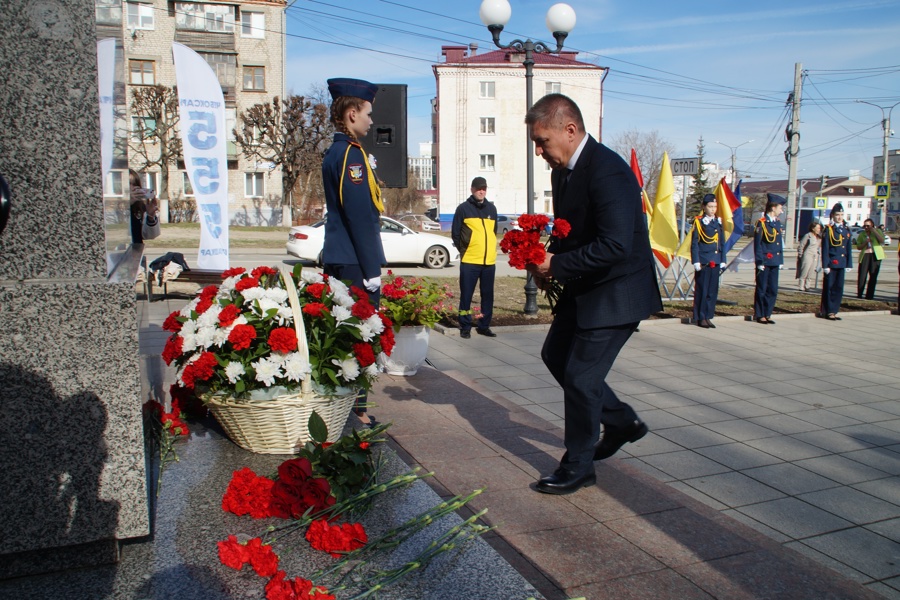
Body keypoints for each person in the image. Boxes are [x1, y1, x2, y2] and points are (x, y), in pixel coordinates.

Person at [524, 94, 662, 495]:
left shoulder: (609, 171)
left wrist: (558, 265)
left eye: (542, 140)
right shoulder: (563, 171)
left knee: (582, 377)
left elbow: (616, 245)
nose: (539, 151)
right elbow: (575, 232)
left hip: (618, 290)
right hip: (586, 286)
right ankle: (621, 421)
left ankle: (579, 465)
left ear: (570, 130)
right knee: (555, 356)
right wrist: (546, 260)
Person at [321, 77, 385, 425]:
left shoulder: (338, 152)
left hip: (343, 257)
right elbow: (360, 215)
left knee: (346, 334)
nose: (371, 121)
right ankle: (356, 411)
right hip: (354, 262)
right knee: (359, 336)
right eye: (367, 113)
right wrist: (371, 267)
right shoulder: (351, 156)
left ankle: (348, 406)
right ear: (350, 114)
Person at [451, 177, 498, 339]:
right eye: (478, 188)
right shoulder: (463, 209)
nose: (481, 191)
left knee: (487, 295)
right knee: (466, 295)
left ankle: (484, 325)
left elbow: (493, 233)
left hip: (489, 262)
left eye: (484, 188)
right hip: (470, 261)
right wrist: (465, 250)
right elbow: (455, 234)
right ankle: (465, 325)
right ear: (472, 189)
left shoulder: (492, 209)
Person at [690, 193, 726, 329]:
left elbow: (721, 242)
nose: (713, 209)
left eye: (715, 207)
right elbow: (695, 243)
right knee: (702, 290)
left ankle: (708, 316)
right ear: (704, 207)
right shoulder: (699, 222)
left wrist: (723, 259)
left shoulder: (718, 222)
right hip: (704, 260)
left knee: (712, 291)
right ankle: (700, 316)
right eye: (710, 206)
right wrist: (696, 260)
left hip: (715, 259)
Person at [752, 193, 786, 324]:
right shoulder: (761, 223)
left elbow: (779, 244)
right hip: (765, 261)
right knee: (762, 288)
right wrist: (760, 261)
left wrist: (780, 261)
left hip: (775, 261)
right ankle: (760, 314)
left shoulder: (777, 223)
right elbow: (758, 244)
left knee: (772, 289)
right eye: (780, 208)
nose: (781, 210)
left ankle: (768, 313)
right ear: (773, 208)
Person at [820, 203, 852, 320]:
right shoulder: (828, 229)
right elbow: (826, 248)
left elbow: (848, 248)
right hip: (832, 262)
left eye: (842, 215)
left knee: (838, 287)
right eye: (837, 214)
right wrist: (825, 265)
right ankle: (828, 311)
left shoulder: (846, 229)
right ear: (832, 215)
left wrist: (849, 263)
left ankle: (834, 310)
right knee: (829, 287)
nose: (840, 217)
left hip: (842, 262)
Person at [855, 218, 885, 300]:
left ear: (872, 225)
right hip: (865, 255)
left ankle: (869, 295)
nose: (866, 227)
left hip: (876, 255)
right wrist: (865, 242)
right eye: (865, 226)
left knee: (873, 276)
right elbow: (858, 247)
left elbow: (882, 240)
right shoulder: (862, 234)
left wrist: (874, 231)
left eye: (868, 226)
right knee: (862, 275)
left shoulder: (877, 231)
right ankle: (860, 294)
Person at [129, 169, 160, 245]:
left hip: (136, 252)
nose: (133, 187)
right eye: (129, 183)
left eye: (135, 184)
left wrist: (150, 216)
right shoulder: (118, 206)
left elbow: (149, 235)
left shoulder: (139, 205)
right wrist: (127, 203)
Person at [796, 221, 822, 292]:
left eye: (819, 228)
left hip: (815, 255)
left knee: (811, 271)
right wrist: (800, 255)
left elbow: (819, 247)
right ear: (813, 228)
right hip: (808, 254)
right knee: (805, 270)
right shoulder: (808, 235)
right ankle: (801, 286)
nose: (819, 230)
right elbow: (801, 245)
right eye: (818, 228)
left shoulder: (819, 238)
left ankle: (807, 286)